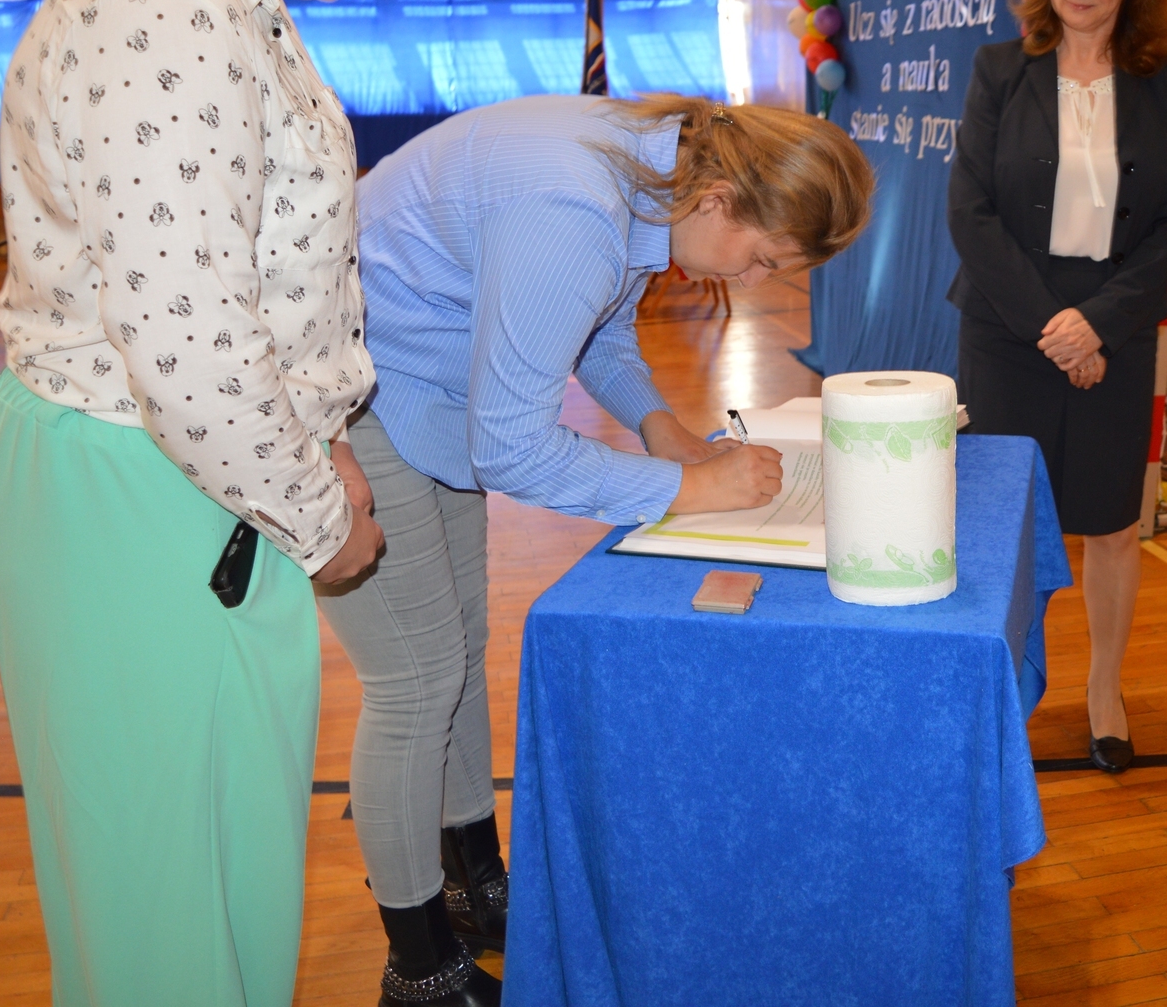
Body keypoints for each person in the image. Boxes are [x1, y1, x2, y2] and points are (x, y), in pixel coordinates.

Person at [0, 0, 448, 1004]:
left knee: (213, 887)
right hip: (141, 489)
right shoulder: (170, 7)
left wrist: (320, 440)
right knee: (167, 921)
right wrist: (325, 528)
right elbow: (187, 347)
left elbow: (250, 280)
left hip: (193, 481)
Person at [317, 92, 873, 1000]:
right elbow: (513, 448)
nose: (751, 278)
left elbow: (601, 329)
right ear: (721, 199)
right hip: (358, 395)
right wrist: (687, 489)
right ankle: (418, 969)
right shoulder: (577, 202)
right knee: (415, 682)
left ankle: (471, 885)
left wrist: (665, 432)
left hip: (426, 381)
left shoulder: (652, 170)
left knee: (457, 652)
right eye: (762, 257)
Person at [946, 0, 1167, 775]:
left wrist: (1096, 326)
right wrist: (1054, 327)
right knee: (1002, 523)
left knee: (1111, 524)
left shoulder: (1165, 83)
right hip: (1010, 324)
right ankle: (999, 690)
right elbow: (970, 212)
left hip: (1115, 325)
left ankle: (1103, 690)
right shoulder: (998, 70)